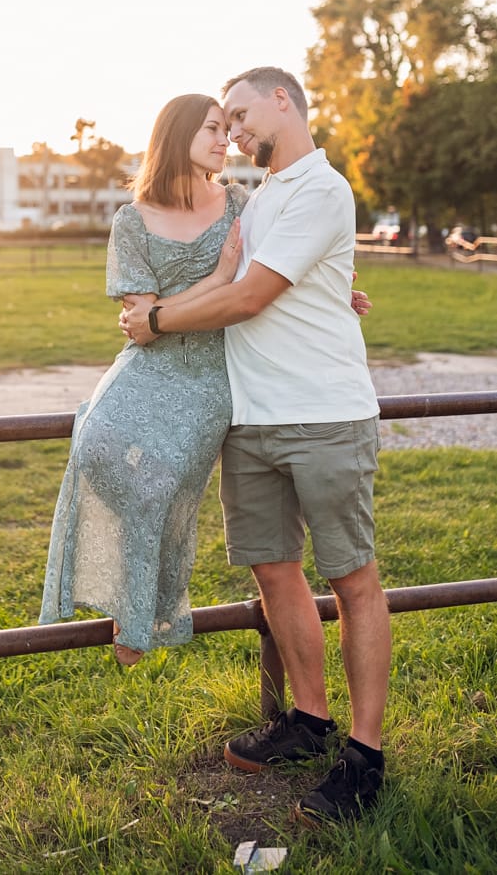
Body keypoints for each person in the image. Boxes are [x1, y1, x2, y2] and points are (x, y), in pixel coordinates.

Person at [121, 66, 389, 827]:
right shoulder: (257, 197)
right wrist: (157, 309)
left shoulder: (320, 189)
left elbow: (248, 296)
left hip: (323, 416)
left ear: (283, 100)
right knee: (274, 571)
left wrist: (155, 322)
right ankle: (308, 721)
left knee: (353, 580)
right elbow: (227, 277)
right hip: (250, 418)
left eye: (240, 114)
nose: (233, 130)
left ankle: (364, 759)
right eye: (224, 120)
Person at [39, 94, 246, 665]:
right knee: (97, 446)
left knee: (163, 491)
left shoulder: (239, 204)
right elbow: (143, 328)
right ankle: (131, 612)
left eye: (227, 129)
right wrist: (218, 280)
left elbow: (270, 275)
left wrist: (332, 296)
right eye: (212, 128)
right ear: (178, 135)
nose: (225, 139)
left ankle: (139, 619)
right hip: (141, 375)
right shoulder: (132, 221)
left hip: (208, 380)